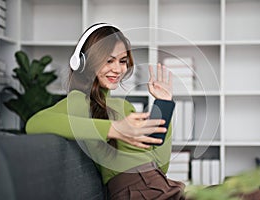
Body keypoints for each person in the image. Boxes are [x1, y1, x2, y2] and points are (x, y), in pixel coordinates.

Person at [26, 23, 186, 199]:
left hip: (163, 187)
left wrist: (164, 105)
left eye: (122, 61)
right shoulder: (79, 101)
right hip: (136, 193)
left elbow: (161, 167)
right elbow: (34, 123)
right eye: (109, 60)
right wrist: (114, 129)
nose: (118, 69)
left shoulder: (125, 107)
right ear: (85, 62)